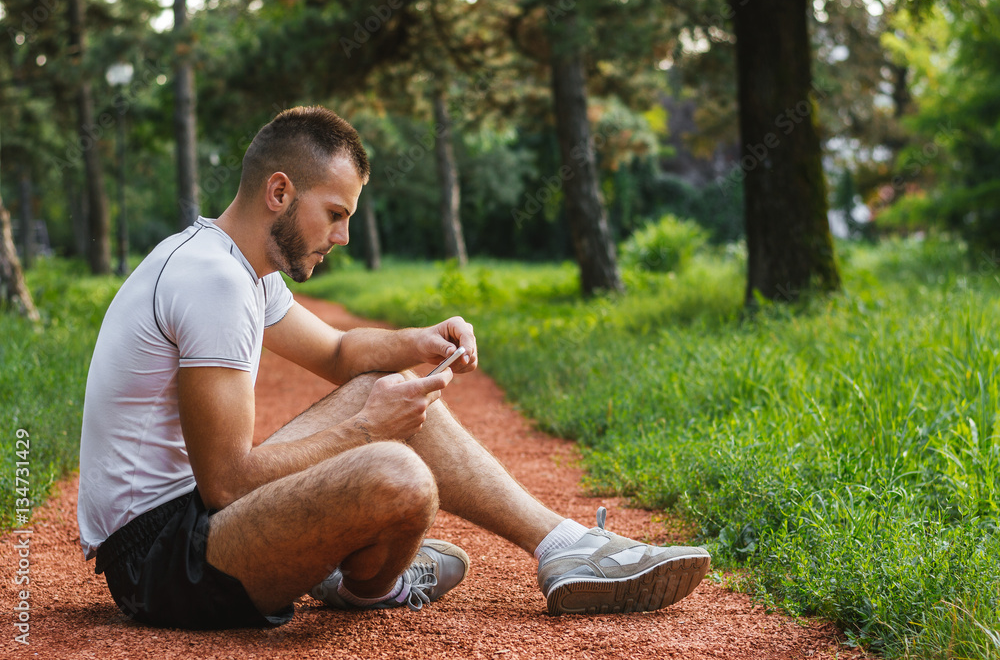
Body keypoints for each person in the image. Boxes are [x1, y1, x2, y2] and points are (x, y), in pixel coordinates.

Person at [77, 105, 711, 630]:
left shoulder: (237, 267)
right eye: (336, 213)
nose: (343, 236)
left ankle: (562, 548)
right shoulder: (212, 280)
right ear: (279, 191)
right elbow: (226, 483)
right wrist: (366, 431)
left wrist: (423, 340)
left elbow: (336, 353)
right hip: (160, 559)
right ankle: (362, 582)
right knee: (398, 475)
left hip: (196, 522)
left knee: (387, 396)